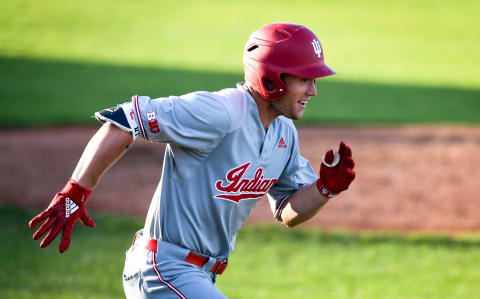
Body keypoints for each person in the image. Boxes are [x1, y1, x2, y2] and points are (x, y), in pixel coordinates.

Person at [29, 23, 355, 298]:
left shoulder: (284, 134)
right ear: (273, 77)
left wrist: (325, 189)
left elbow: (286, 211)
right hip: (163, 269)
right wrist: (74, 196)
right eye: (305, 79)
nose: (313, 90)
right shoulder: (221, 111)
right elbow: (123, 121)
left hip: (196, 277)